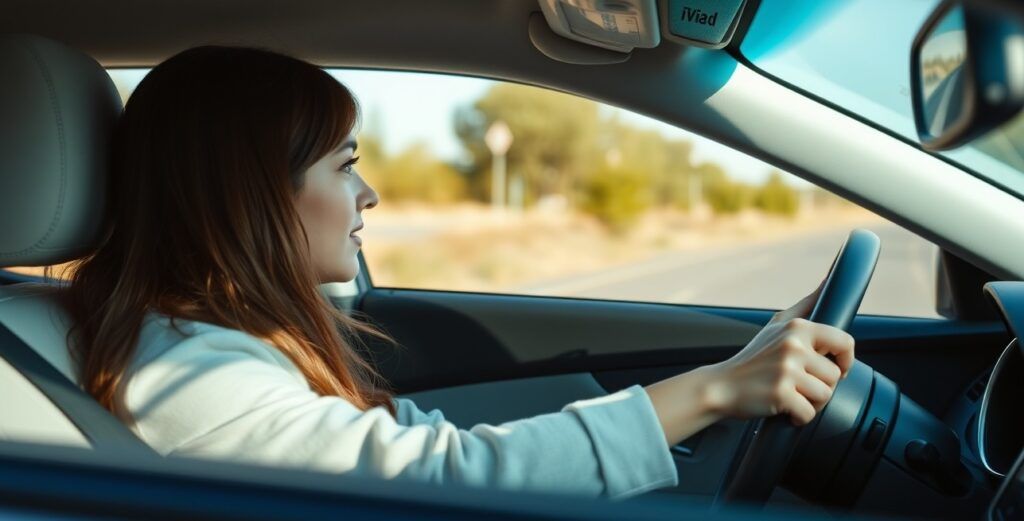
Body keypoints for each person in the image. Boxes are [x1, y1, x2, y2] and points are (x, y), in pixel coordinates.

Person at [59, 46, 854, 499]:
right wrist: (716, 387)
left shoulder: (202, 342)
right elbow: (443, 481)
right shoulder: (188, 371)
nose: (367, 193)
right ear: (256, 193)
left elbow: (413, 448)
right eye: (345, 166)